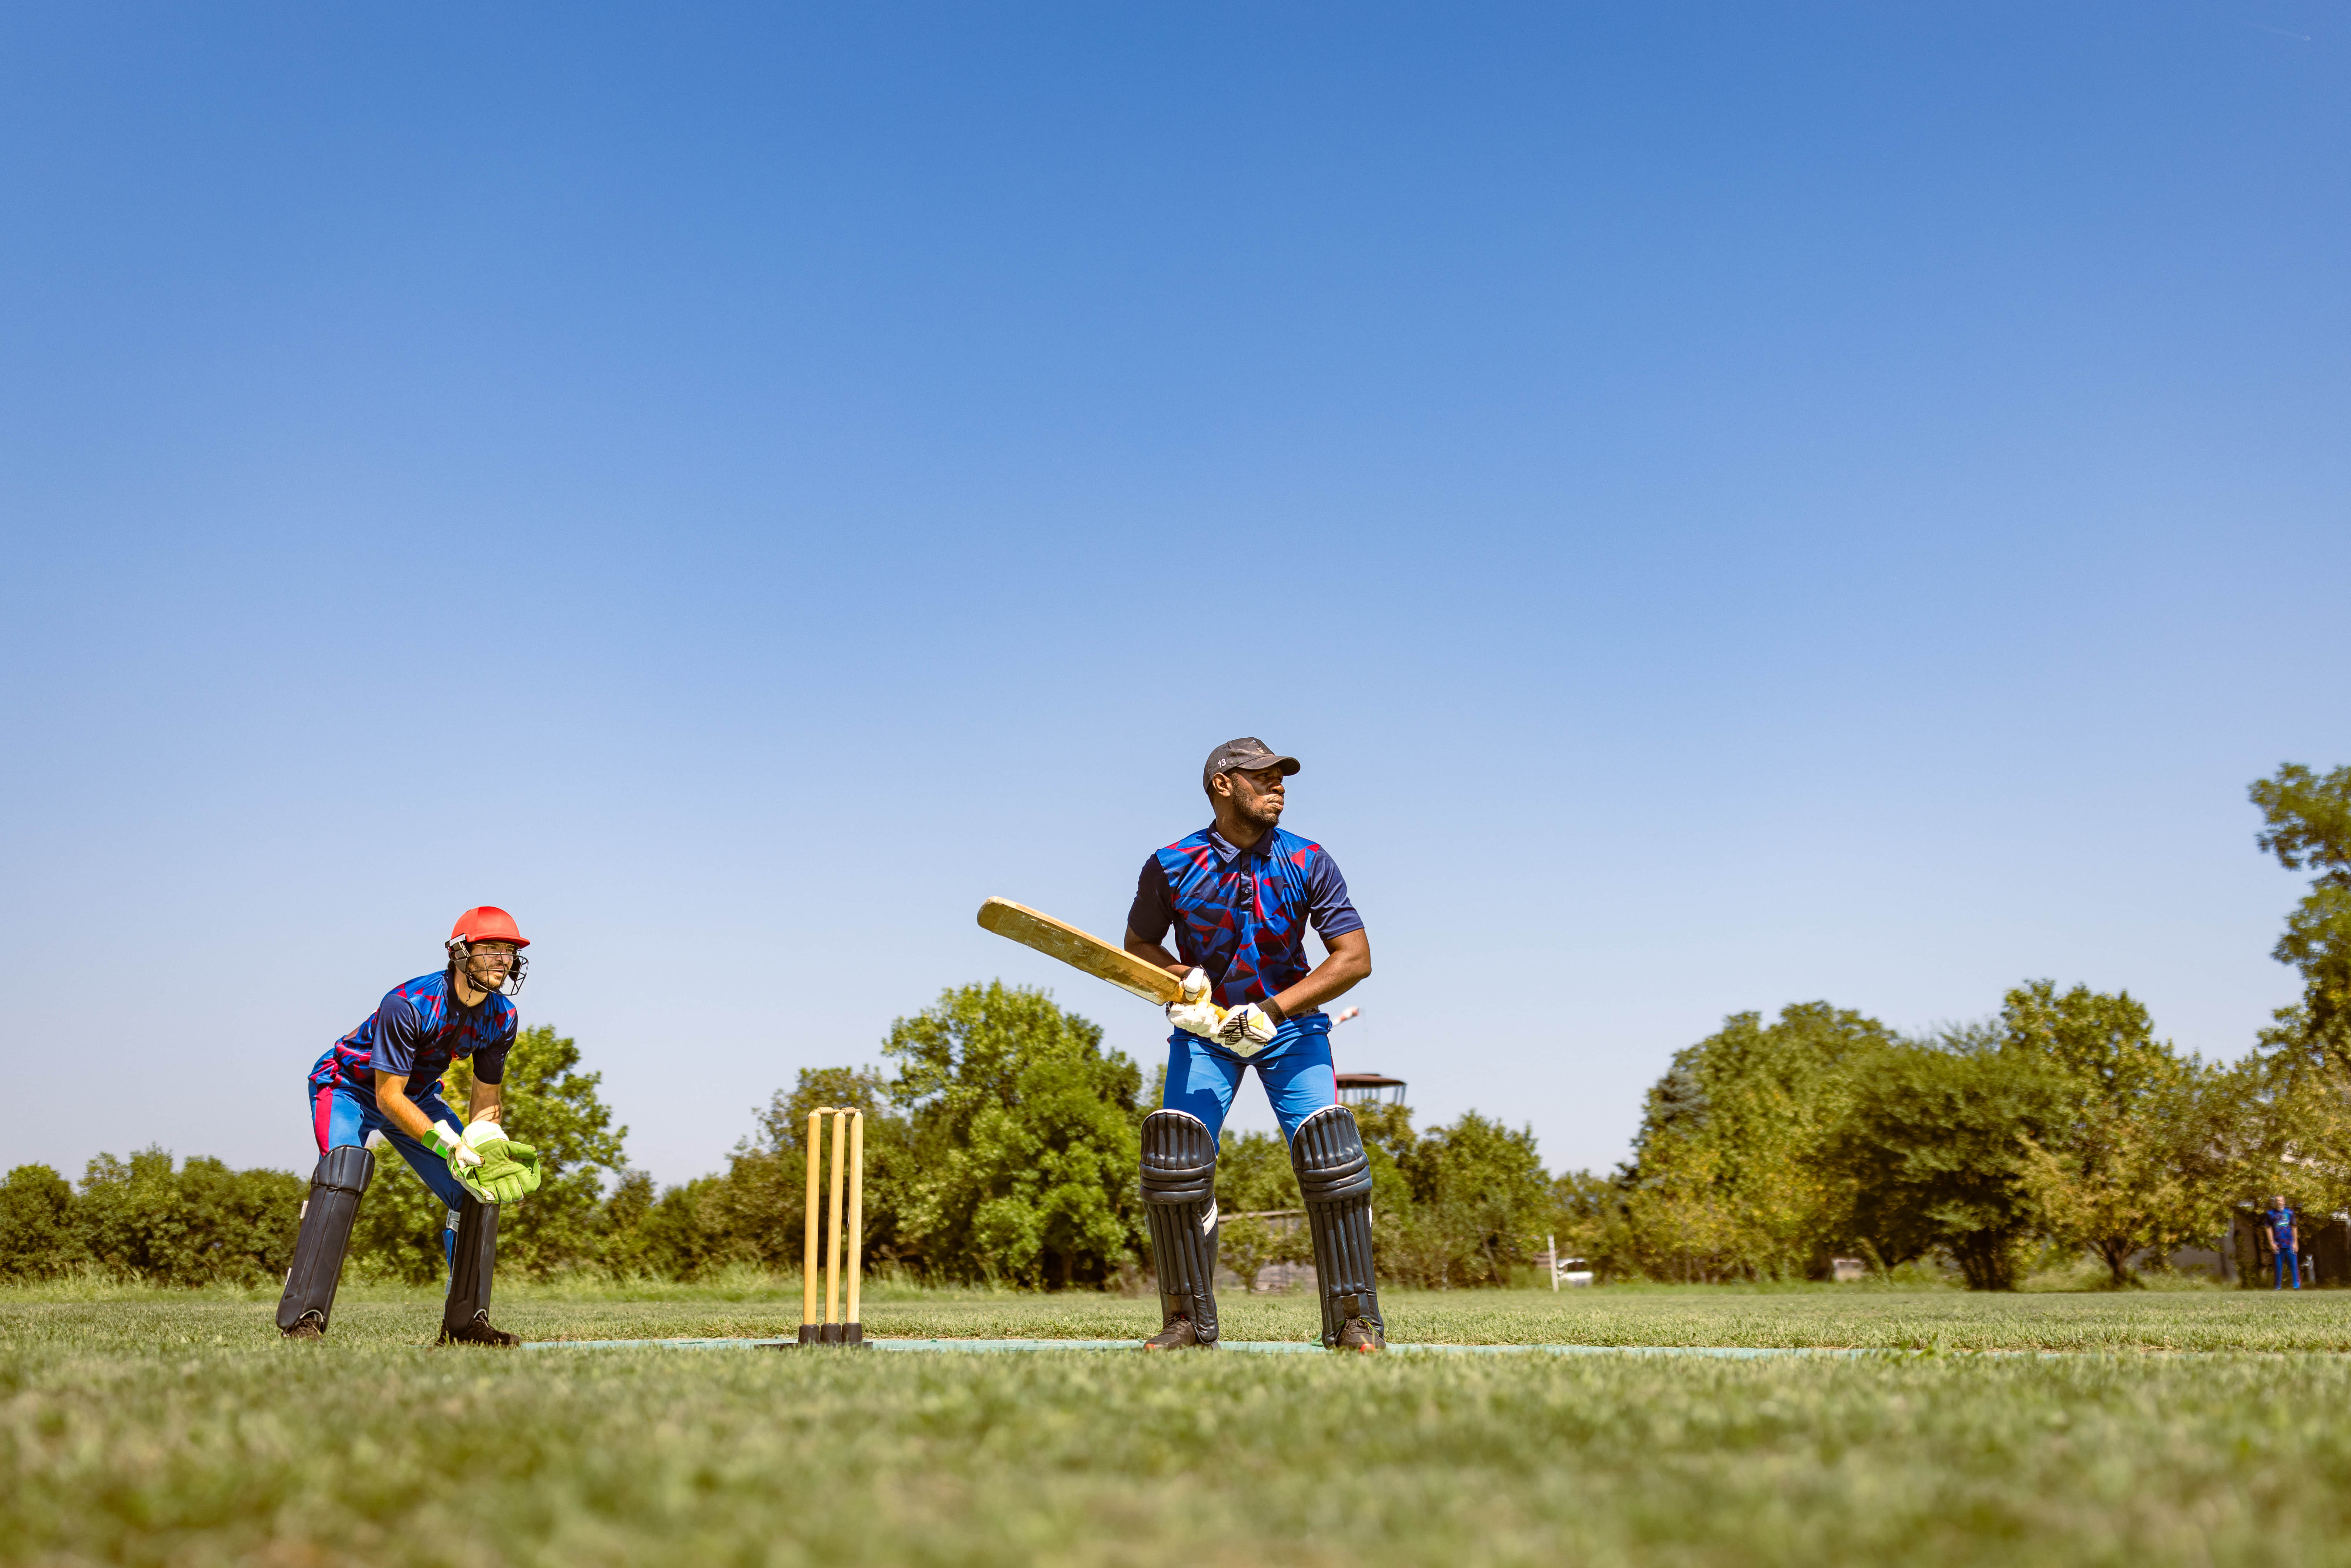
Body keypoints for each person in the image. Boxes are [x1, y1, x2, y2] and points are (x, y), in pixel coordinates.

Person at [1122, 738, 1379, 1352]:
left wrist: (1272, 1010)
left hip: (1290, 1028)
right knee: (1176, 1160)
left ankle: (1353, 1321)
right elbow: (1137, 947)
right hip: (1208, 1032)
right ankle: (1186, 1322)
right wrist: (1183, 979)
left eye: (1280, 777)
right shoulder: (1171, 863)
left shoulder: (1307, 859)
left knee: (1330, 1156)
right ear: (1223, 784)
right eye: (1262, 777)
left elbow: (1354, 958)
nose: (1278, 785)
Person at [276, 907, 543, 1344]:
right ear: (460, 953)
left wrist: (487, 1143)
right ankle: (302, 1320)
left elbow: (486, 1100)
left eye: (510, 951)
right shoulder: (408, 1003)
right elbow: (387, 1097)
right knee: (344, 1171)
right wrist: (448, 1145)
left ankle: (465, 1326)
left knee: (477, 1184)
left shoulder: (502, 1018)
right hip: (349, 1087)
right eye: (492, 948)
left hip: (415, 1096)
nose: (503, 959)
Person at [2260, 1195, 2300, 1291]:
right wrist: (2272, 1243)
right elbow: (2268, 1228)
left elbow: (2294, 1227)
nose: (2280, 1202)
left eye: (2281, 1201)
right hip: (2278, 1244)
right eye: (2278, 1201)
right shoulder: (2271, 1214)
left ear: (2284, 1202)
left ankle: (2297, 1286)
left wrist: (2296, 1243)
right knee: (2278, 1267)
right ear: (2275, 1203)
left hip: (2290, 1243)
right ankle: (2278, 1287)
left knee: (2294, 1266)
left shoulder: (2290, 1213)